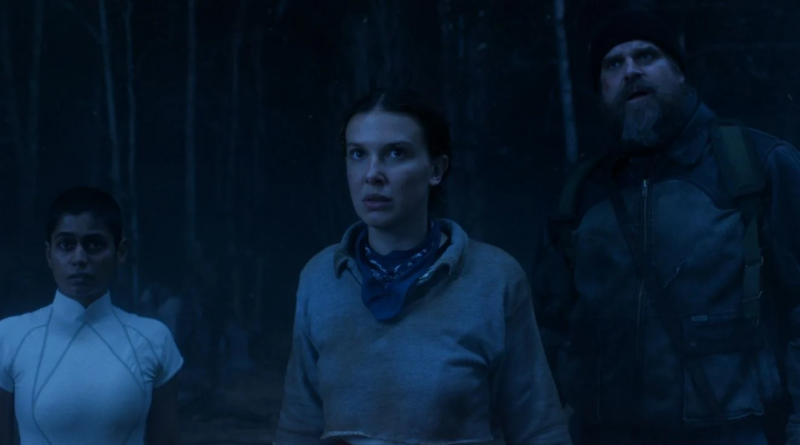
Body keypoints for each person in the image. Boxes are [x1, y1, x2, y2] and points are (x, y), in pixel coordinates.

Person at [532, 8, 800, 445]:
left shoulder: (756, 166)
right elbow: (547, 332)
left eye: (646, 55)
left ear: (679, 72)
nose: (630, 71)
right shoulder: (581, 196)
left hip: (735, 434)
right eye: (613, 64)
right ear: (601, 90)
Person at [274, 89, 570, 445]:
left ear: (436, 169)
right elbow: (298, 427)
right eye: (358, 154)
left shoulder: (494, 278)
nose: (372, 174)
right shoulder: (321, 278)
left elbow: (538, 428)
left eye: (395, 153)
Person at [0, 187, 183, 445]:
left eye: (94, 244)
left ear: (120, 252)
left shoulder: (154, 339)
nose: (79, 258)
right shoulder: (9, 337)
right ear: (49, 254)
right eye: (66, 244)